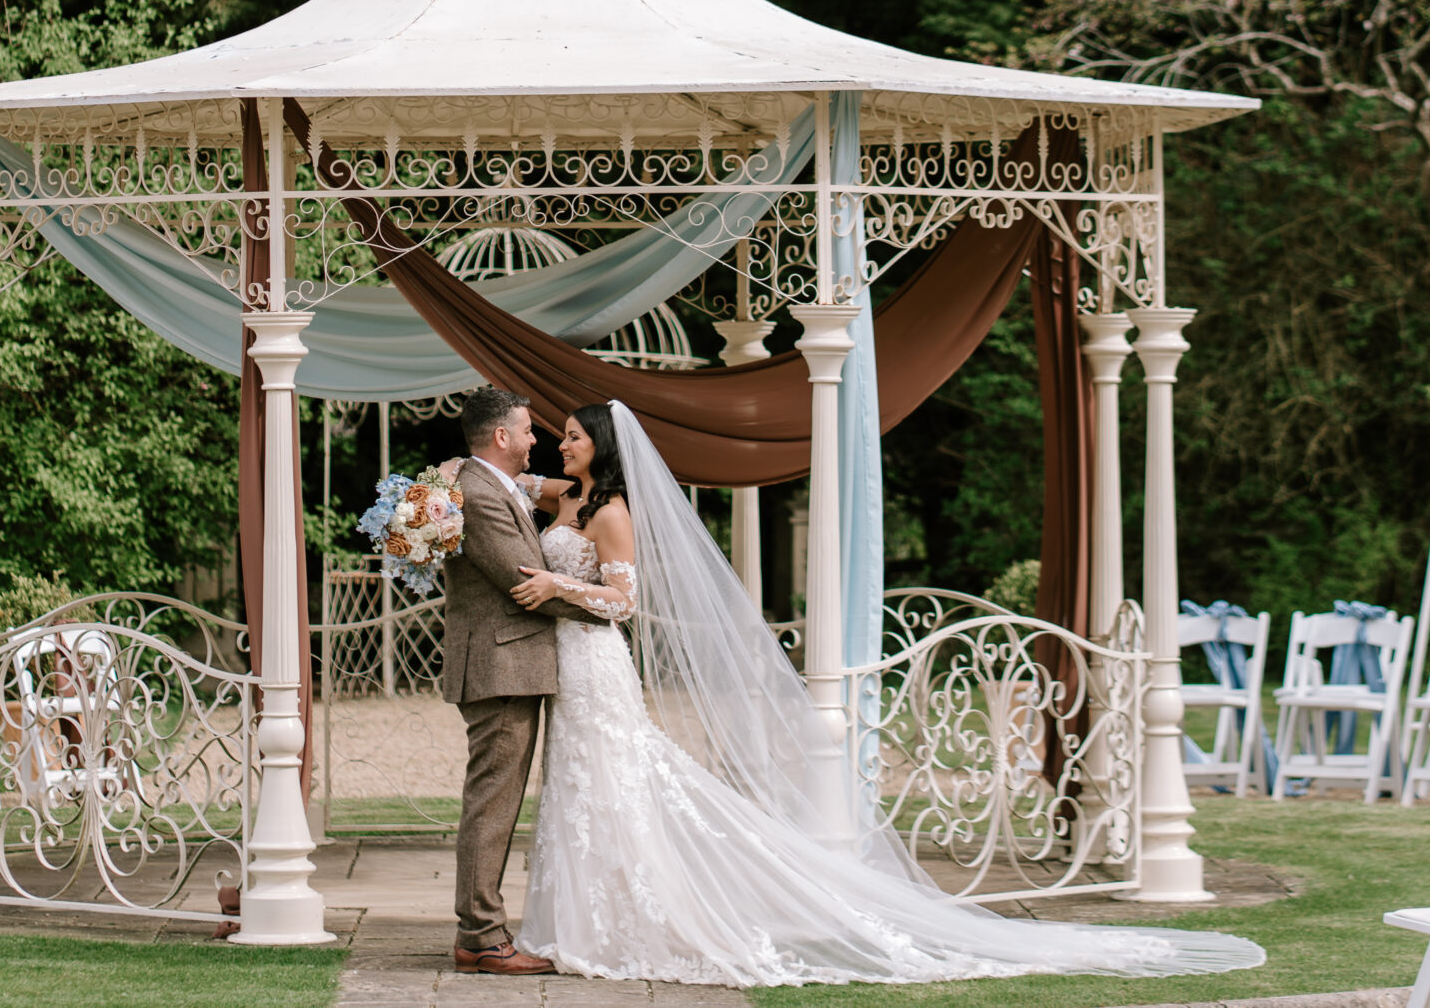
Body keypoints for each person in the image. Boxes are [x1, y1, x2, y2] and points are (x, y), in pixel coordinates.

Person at [494, 397, 1268, 988]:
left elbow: (625, 601)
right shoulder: (569, 499)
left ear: (605, 446)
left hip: (596, 660)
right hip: (566, 662)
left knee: (615, 786)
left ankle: (620, 927)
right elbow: (507, 479)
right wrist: (449, 493)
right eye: (560, 434)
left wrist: (559, 580)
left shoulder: (616, 513)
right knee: (578, 789)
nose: (563, 441)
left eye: (574, 434)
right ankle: (581, 925)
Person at [435, 386, 601, 975]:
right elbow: (523, 581)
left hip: (511, 664)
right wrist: (610, 611)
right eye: (530, 430)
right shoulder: (478, 494)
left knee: (496, 800)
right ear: (502, 436)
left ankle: (481, 930)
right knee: (492, 803)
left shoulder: (488, 483)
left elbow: (562, 492)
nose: (540, 440)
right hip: (500, 666)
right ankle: (480, 936)